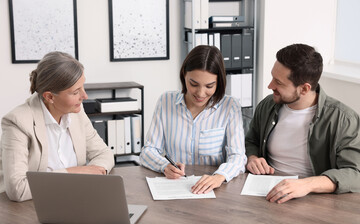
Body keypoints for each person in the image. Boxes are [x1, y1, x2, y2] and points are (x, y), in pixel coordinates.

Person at [245, 43, 360, 203]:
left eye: (279, 82)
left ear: (304, 89)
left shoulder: (343, 119)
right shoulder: (267, 105)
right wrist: (252, 157)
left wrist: (307, 184)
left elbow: (355, 173)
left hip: (313, 201)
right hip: (265, 194)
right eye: (272, 77)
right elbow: (251, 140)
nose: (270, 86)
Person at [0, 52, 114, 202]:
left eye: (82, 87)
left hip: (73, 199)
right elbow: (18, 189)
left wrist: (93, 173)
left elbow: (104, 154)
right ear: (50, 97)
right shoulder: (18, 122)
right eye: (75, 92)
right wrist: (74, 173)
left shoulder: (76, 112)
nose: (85, 96)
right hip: (30, 209)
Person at [140, 45, 247, 194]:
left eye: (209, 86)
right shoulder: (166, 101)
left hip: (214, 191)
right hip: (175, 187)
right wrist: (164, 165)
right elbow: (148, 151)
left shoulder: (230, 106)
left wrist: (219, 176)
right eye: (193, 84)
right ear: (184, 75)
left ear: (219, 82)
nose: (200, 93)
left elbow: (238, 156)